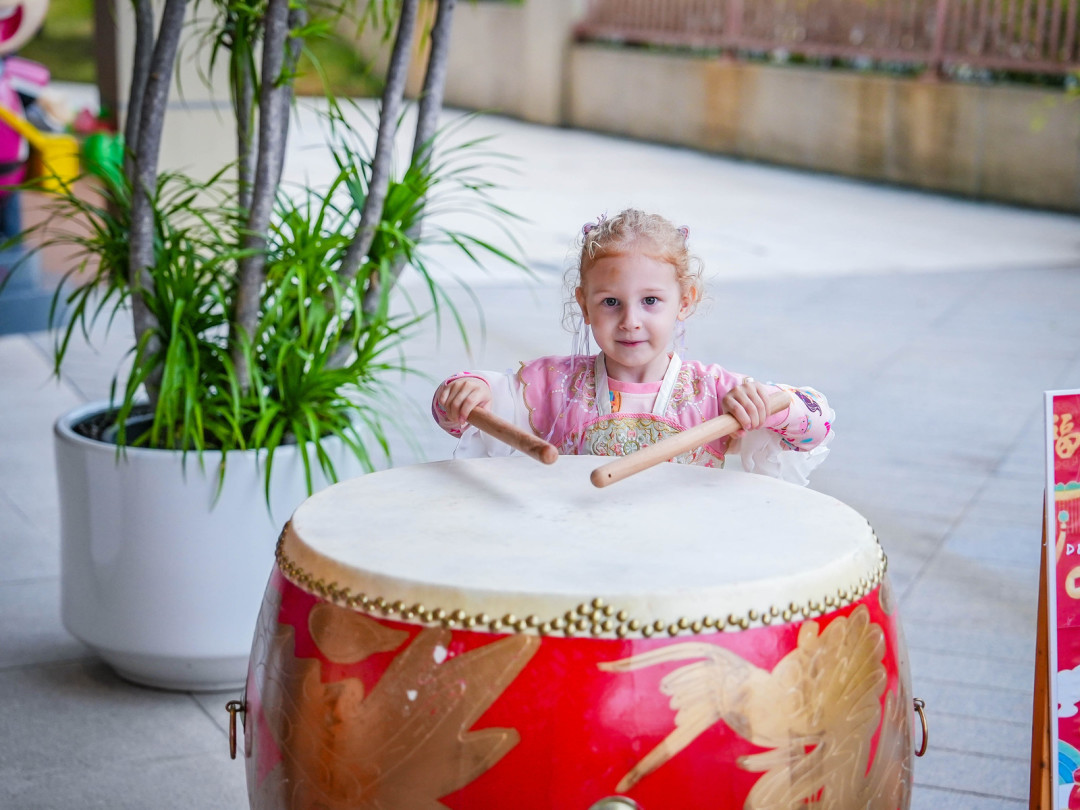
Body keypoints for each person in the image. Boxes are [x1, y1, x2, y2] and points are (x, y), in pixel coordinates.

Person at [431, 208, 833, 485]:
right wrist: (465, 391)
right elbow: (454, 419)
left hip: (682, 557)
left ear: (685, 301)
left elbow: (817, 429)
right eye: (611, 302)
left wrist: (775, 405)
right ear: (584, 305)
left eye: (650, 300)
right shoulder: (552, 385)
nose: (630, 320)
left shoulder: (713, 393)